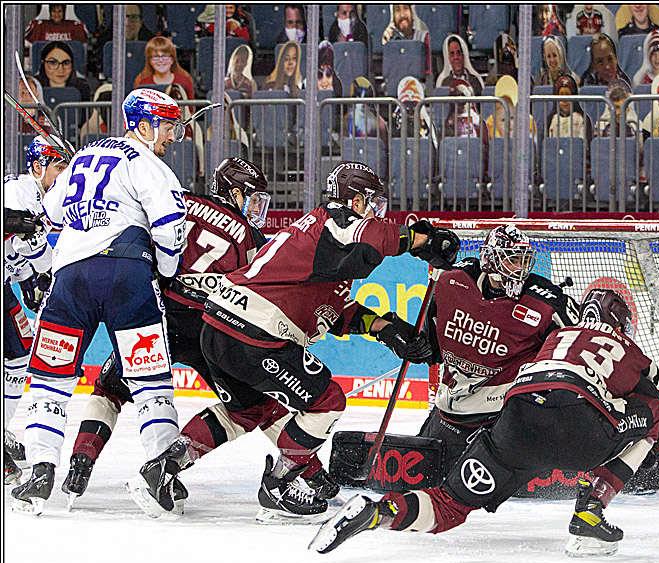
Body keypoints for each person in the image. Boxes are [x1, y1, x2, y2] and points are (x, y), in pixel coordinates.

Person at [125, 163, 460, 522]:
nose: (377, 211)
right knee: (327, 401)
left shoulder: (324, 248)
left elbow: (334, 311)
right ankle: (280, 483)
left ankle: (163, 468)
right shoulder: (334, 221)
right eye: (372, 202)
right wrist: (421, 240)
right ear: (355, 201)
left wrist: (387, 328)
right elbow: (373, 235)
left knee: (245, 411)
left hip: (220, 324)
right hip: (255, 332)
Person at [311, 288, 659, 557]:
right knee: (653, 416)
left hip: (516, 421)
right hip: (581, 427)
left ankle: (378, 513)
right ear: (620, 325)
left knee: (449, 504)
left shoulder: (556, 336)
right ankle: (590, 509)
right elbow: (656, 412)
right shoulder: (626, 347)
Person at [59, 158, 284, 507]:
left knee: (108, 389)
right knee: (255, 404)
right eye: (252, 198)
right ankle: (303, 468)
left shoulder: (181, 202)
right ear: (235, 193)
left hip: (157, 316)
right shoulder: (251, 236)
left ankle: (80, 462)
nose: (255, 208)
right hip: (211, 329)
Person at [10, 89, 188, 515]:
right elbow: (170, 225)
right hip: (127, 277)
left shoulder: (84, 157)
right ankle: (162, 476)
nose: (172, 136)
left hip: (70, 280)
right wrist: (165, 273)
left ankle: (40, 470)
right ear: (143, 125)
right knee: (150, 383)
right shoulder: (149, 164)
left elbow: (52, 212)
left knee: (50, 381)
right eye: (167, 126)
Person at [333, 224, 578, 484]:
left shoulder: (546, 301)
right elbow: (432, 349)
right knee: (425, 482)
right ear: (491, 260)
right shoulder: (452, 280)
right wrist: (409, 342)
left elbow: (580, 342)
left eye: (524, 261)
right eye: (513, 260)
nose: (521, 269)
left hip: (503, 415)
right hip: (451, 409)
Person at [2, 137, 68, 486]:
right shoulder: (19, 189)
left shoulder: (42, 198)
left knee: (19, 355)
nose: (64, 175)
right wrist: (47, 269)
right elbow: (26, 241)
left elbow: (17, 250)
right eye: (59, 167)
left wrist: (29, 278)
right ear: (38, 167)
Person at [486, 75, 536, 139]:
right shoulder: (492, 137)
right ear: (495, 123)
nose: (508, 123)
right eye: (503, 120)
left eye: (512, 118)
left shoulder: (528, 133)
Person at [546, 74, 593, 139]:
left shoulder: (583, 119)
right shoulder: (550, 120)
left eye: (568, 95)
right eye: (561, 95)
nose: (565, 100)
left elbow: (587, 143)